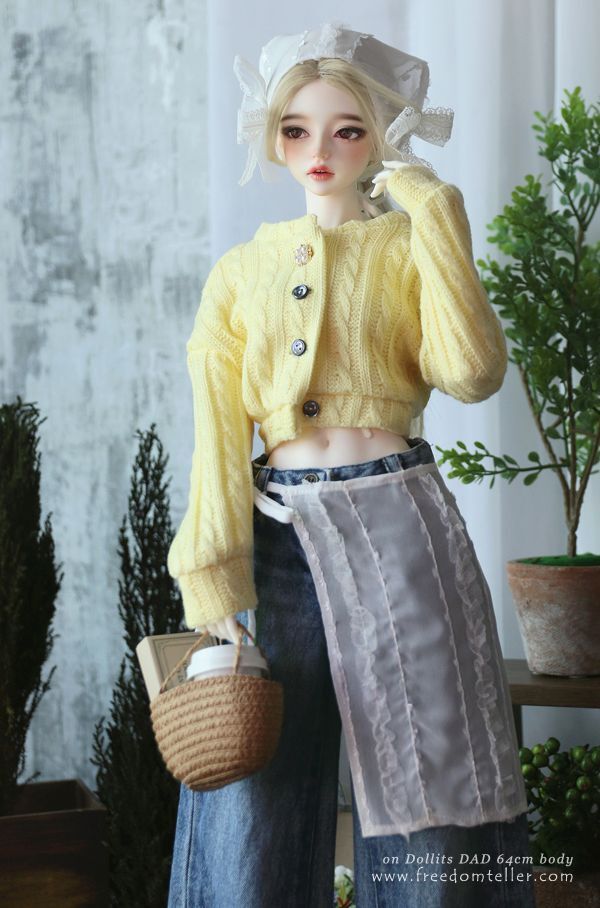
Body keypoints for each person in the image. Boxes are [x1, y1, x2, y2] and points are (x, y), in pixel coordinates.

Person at [166, 21, 536, 908]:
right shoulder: (240, 272)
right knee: (253, 791)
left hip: (401, 526)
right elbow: (217, 436)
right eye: (297, 129)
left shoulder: (411, 245)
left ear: (382, 136)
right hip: (276, 537)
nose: (320, 151)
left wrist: (435, 210)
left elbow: (471, 371)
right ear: (272, 136)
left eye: (348, 129)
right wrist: (212, 583)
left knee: (432, 780)